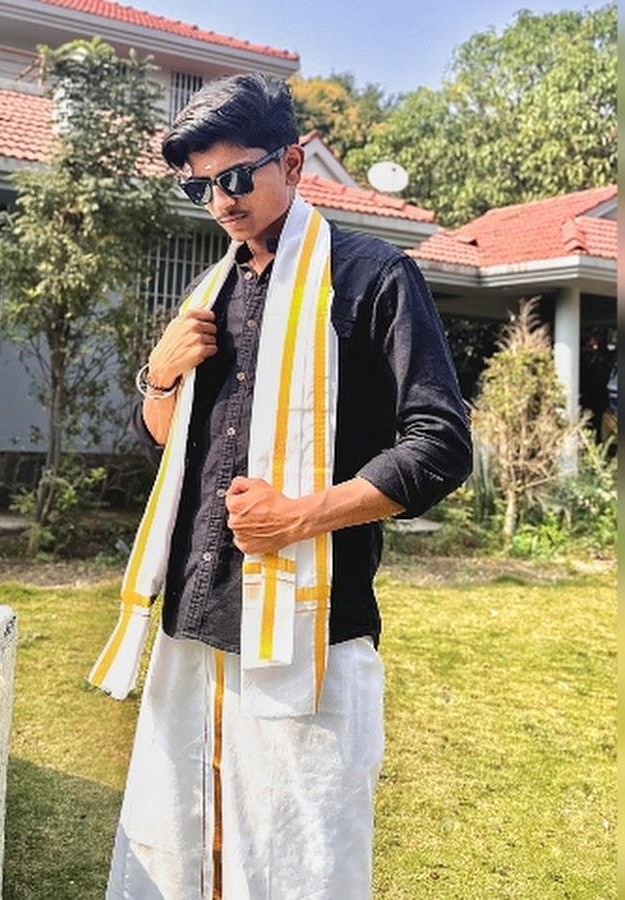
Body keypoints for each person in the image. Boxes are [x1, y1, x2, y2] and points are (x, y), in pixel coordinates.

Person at [90, 72, 472, 899]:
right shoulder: (209, 294)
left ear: (293, 164)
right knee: (182, 843)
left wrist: (300, 515)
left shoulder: (370, 278)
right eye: (200, 186)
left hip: (309, 629)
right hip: (194, 611)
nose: (220, 201)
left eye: (235, 176)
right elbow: (166, 445)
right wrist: (159, 375)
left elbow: (440, 445)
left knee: (301, 860)